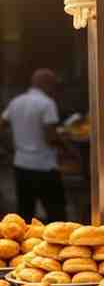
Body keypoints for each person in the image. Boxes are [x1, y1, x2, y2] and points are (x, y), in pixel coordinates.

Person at [1, 68, 66, 221]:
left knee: (25, 214)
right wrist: (67, 148)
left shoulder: (16, 102)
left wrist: (10, 146)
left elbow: (2, 124)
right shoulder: (47, 104)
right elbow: (51, 137)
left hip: (21, 164)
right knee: (56, 214)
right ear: (47, 84)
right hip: (44, 166)